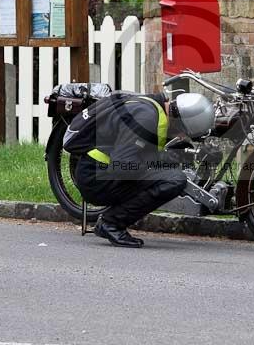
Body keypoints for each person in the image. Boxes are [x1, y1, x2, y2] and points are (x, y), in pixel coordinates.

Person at [63, 92, 215, 248]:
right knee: (175, 180)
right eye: (185, 133)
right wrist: (160, 163)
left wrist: (164, 159)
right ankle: (111, 223)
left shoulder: (153, 106)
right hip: (96, 179)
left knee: (170, 172)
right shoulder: (146, 119)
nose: (183, 137)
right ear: (180, 122)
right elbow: (122, 166)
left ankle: (112, 221)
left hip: (100, 170)